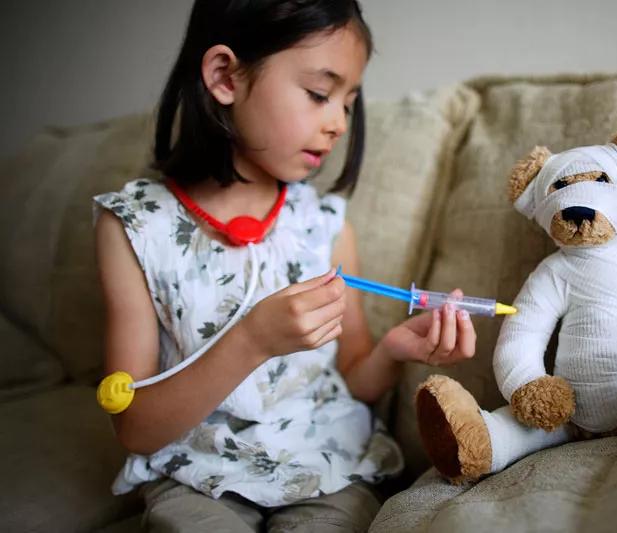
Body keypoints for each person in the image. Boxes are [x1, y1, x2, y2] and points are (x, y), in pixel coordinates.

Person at [93, 1, 477, 531]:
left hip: (326, 466)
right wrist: (251, 340)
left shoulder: (325, 227)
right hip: (197, 476)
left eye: (349, 101)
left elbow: (353, 377)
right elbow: (134, 428)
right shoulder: (135, 228)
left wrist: (394, 351)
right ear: (225, 76)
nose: (340, 122)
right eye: (320, 94)